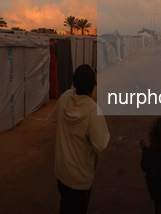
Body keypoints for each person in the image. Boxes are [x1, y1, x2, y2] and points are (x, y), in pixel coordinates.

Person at [51, 64, 110, 214]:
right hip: (79, 179)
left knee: (65, 204)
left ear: (74, 83)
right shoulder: (93, 111)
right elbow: (100, 145)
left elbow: (54, 118)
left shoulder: (64, 97)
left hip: (61, 172)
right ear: (94, 86)